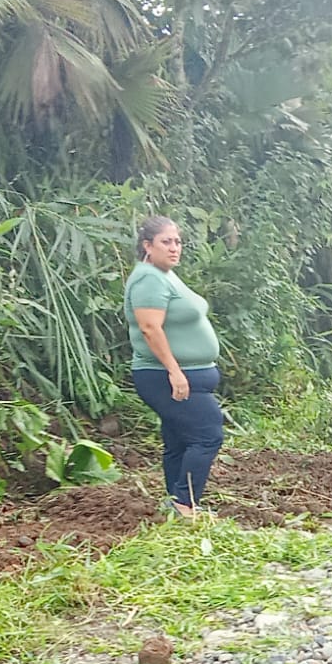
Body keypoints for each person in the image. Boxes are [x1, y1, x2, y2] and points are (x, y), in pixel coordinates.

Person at [125, 216, 224, 518]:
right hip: (164, 375)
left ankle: (177, 503)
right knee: (208, 433)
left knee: (180, 441)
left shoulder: (164, 275)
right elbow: (149, 328)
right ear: (147, 245)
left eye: (177, 242)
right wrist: (174, 370)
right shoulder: (148, 279)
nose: (174, 248)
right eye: (166, 242)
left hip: (186, 373)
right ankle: (183, 503)